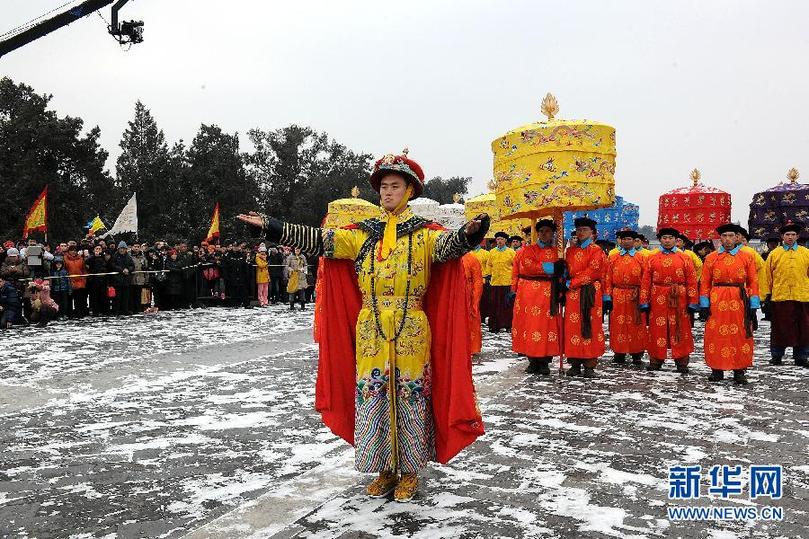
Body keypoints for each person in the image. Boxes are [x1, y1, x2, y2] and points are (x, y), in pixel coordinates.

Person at [237, 149, 487, 503]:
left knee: (410, 395)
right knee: (374, 394)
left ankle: (411, 469)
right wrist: (272, 226)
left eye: (394, 186)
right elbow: (320, 240)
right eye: (383, 186)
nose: (386, 192)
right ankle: (385, 468)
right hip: (370, 324)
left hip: (411, 324)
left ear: (410, 190)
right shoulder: (361, 235)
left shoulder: (426, 235)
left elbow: (450, 248)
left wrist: (471, 234)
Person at [700, 224, 760, 384]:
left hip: (739, 300)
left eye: (731, 236)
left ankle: (739, 370)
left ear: (737, 237)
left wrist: (754, 305)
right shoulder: (711, 258)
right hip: (717, 299)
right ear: (720, 238)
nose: (728, 239)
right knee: (715, 333)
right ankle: (716, 369)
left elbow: (753, 281)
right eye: (724, 236)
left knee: (740, 333)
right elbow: (705, 283)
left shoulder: (746, 257)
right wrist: (704, 304)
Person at [639, 228, 699, 373]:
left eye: (670, 238)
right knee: (657, 328)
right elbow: (646, 280)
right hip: (657, 295)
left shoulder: (685, 258)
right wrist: (644, 301)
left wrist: (693, 302)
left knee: (680, 327)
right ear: (660, 240)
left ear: (676, 240)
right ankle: (656, 360)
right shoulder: (652, 258)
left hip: (679, 296)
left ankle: (682, 362)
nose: (667, 240)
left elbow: (691, 280)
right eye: (664, 238)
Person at [510, 219, 564, 375]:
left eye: (547, 231)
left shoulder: (558, 252)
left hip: (549, 293)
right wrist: (553, 267)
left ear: (553, 233)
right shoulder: (528, 250)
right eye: (541, 231)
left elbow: (562, 274)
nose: (544, 234)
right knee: (530, 325)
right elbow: (529, 266)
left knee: (548, 326)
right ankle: (532, 360)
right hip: (530, 293)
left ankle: (545, 361)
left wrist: (561, 280)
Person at [562, 217, 607, 378]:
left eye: (585, 230)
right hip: (573, 295)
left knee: (590, 325)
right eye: (579, 230)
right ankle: (574, 363)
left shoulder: (596, 250)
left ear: (592, 233)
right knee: (572, 326)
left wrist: (571, 283)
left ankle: (589, 364)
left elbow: (593, 272)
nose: (581, 233)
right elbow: (566, 270)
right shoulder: (570, 251)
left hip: (589, 292)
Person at [761, 222, 809, 366]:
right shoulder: (774, 254)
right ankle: (776, 355)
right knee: (779, 328)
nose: (790, 237)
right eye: (787, 235)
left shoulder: (806, 253)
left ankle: (801, 356)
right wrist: (765, 296)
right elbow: (766, 276)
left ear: (798, 236)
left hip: (802, 296)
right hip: (779, 296)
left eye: (793, 234)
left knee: (803, 328)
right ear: (782, 237)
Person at [604, 229, 648, 367]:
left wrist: (644, 298)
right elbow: (607, 278)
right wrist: (607, 297)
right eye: (624, 239)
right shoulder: (613, 257)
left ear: (634, 241)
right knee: (618, 324)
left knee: (637, 324)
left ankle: (637, 354)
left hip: (635, 294)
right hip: (618, 294)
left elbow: (646, 279)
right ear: (620, 241)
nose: (627, 241)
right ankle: (619, 353)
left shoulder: (642, 258)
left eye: (630, 239)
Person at [487, 232, 516, 333]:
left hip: (507, 282)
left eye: (501, 239)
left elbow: (515, 266)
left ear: (505, 241)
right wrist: (489, 275)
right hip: (495, 282)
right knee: (494, 304)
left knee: (507, 305)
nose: (499, 241)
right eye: (498, 239)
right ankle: (494, 325)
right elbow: (489, 265)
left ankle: (508, 325)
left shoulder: (511, 252)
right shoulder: (492, 252)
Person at [110, 241, 135, 316]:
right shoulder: (115, 256)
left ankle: (125, 310)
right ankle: (116, 311)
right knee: (117, 297)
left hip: (126, 280)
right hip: (117, 280)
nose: (122, 250)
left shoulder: (128, 257)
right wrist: (121, 270)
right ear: (118, 249)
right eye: (121, 248)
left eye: (123, 248)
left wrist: (128, 270)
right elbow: (113, 265)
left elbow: (132, 266)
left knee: (126, 297)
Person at [63, 245, 88, 317]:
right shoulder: (65, 259)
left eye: (75, 250)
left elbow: (84, 270)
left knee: (79, 299)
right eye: (71, 250)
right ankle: (70, 314)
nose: (73, 252)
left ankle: (79, 313)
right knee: (69, 299)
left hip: (80, 282)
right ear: (69, 251)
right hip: (69, 282)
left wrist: (84, 280)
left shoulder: (81, 258)